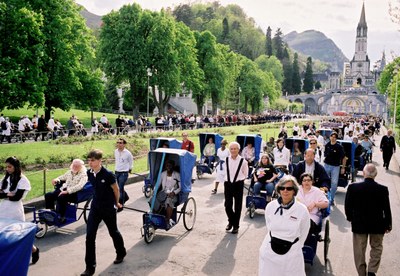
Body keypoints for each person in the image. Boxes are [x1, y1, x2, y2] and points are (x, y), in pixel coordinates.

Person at [81, 150, 126, 276]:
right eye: (89, 160)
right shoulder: (89, 173)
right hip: (95, 207)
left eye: (93, 160)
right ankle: (90, 267)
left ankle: (121, 252)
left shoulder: (108, 174)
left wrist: (117, 203)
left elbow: (116, 189)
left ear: (100, 161)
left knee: (113, 231)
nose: (90, 163)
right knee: (89, 236)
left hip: (108, 208)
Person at [345, 164, 392, 276]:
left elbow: (348, 206)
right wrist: (388, 224)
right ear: (375, 175)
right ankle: (371, 271)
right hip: (377, 225)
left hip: (359, 224)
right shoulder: (383, 189)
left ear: (364, 173)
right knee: (376, 248)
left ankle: (362, 273)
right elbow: (387, 209)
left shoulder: (353, 187)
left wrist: (351, 218)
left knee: (359, 251)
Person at [258, 175, 310, 276]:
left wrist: (297, 247)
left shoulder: (302, 210)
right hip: (269, 252)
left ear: (294, 191)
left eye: (289, 188)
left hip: (292, 254)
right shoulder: (270, 206)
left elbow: (304, 231)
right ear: (279, 190)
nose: (285, 191)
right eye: (282, 188)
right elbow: (269, 226)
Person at [0, 157, 39, 264]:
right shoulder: (6, 178)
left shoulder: (23, 180)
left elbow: (17, 197)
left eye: (10, 167)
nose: (7, 169)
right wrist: (7, 194)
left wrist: (4, 195)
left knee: (18, 235)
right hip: (3, 208)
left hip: (15, 210)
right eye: (6, 166)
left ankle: (34, 250)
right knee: (3, 235)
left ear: (16, 167)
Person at [224, 142, 248, 234]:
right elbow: (225, 172)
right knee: (227, 206)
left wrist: (239, 180)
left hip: (238, 184)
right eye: (231, 149)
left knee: (237, 206)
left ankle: (235, 226)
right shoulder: (226, 159)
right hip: (228, 184)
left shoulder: (243, 161)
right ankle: (231, 221)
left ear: (238, 150)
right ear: (229, 150)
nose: (233, 150)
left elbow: (245, 174)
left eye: (235, 149)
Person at [153, 159, 181, 228]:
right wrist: (154, 191)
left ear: (173, 166)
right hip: (164, 193)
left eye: (170, 165)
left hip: (172, 194)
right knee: (153, 200)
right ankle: (156, 217)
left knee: (168, 201)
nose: (168, 167)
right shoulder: (162, 174)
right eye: (167, 165)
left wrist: (174, 193)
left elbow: (180, 187)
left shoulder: (177, 175)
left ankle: (167, 220)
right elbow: (157, 185)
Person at [323, 132, 346, 205]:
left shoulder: (339, 147)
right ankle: (325, 197)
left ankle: (332, 199)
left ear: (336, 138)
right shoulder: (327, 145)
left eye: (334, 137)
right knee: (325, 181)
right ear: (330, 137)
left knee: (334, 183)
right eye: (331, 136)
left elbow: (344, 158)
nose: (333, 138)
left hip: (335, 167)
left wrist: (343, 167)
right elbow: (325, 155)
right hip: (327, 165)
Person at [114, 138, 133, 211]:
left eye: (121, 143)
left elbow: (131, 161)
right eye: (118, 142)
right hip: (117, 171)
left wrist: (130, 169)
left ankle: (120, 204)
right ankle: (126, 197)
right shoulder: (115, 151)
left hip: (124, 173)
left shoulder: (128, 153)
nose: (119, 144)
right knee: (118, 187)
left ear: (124, 144)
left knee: (119, 188)